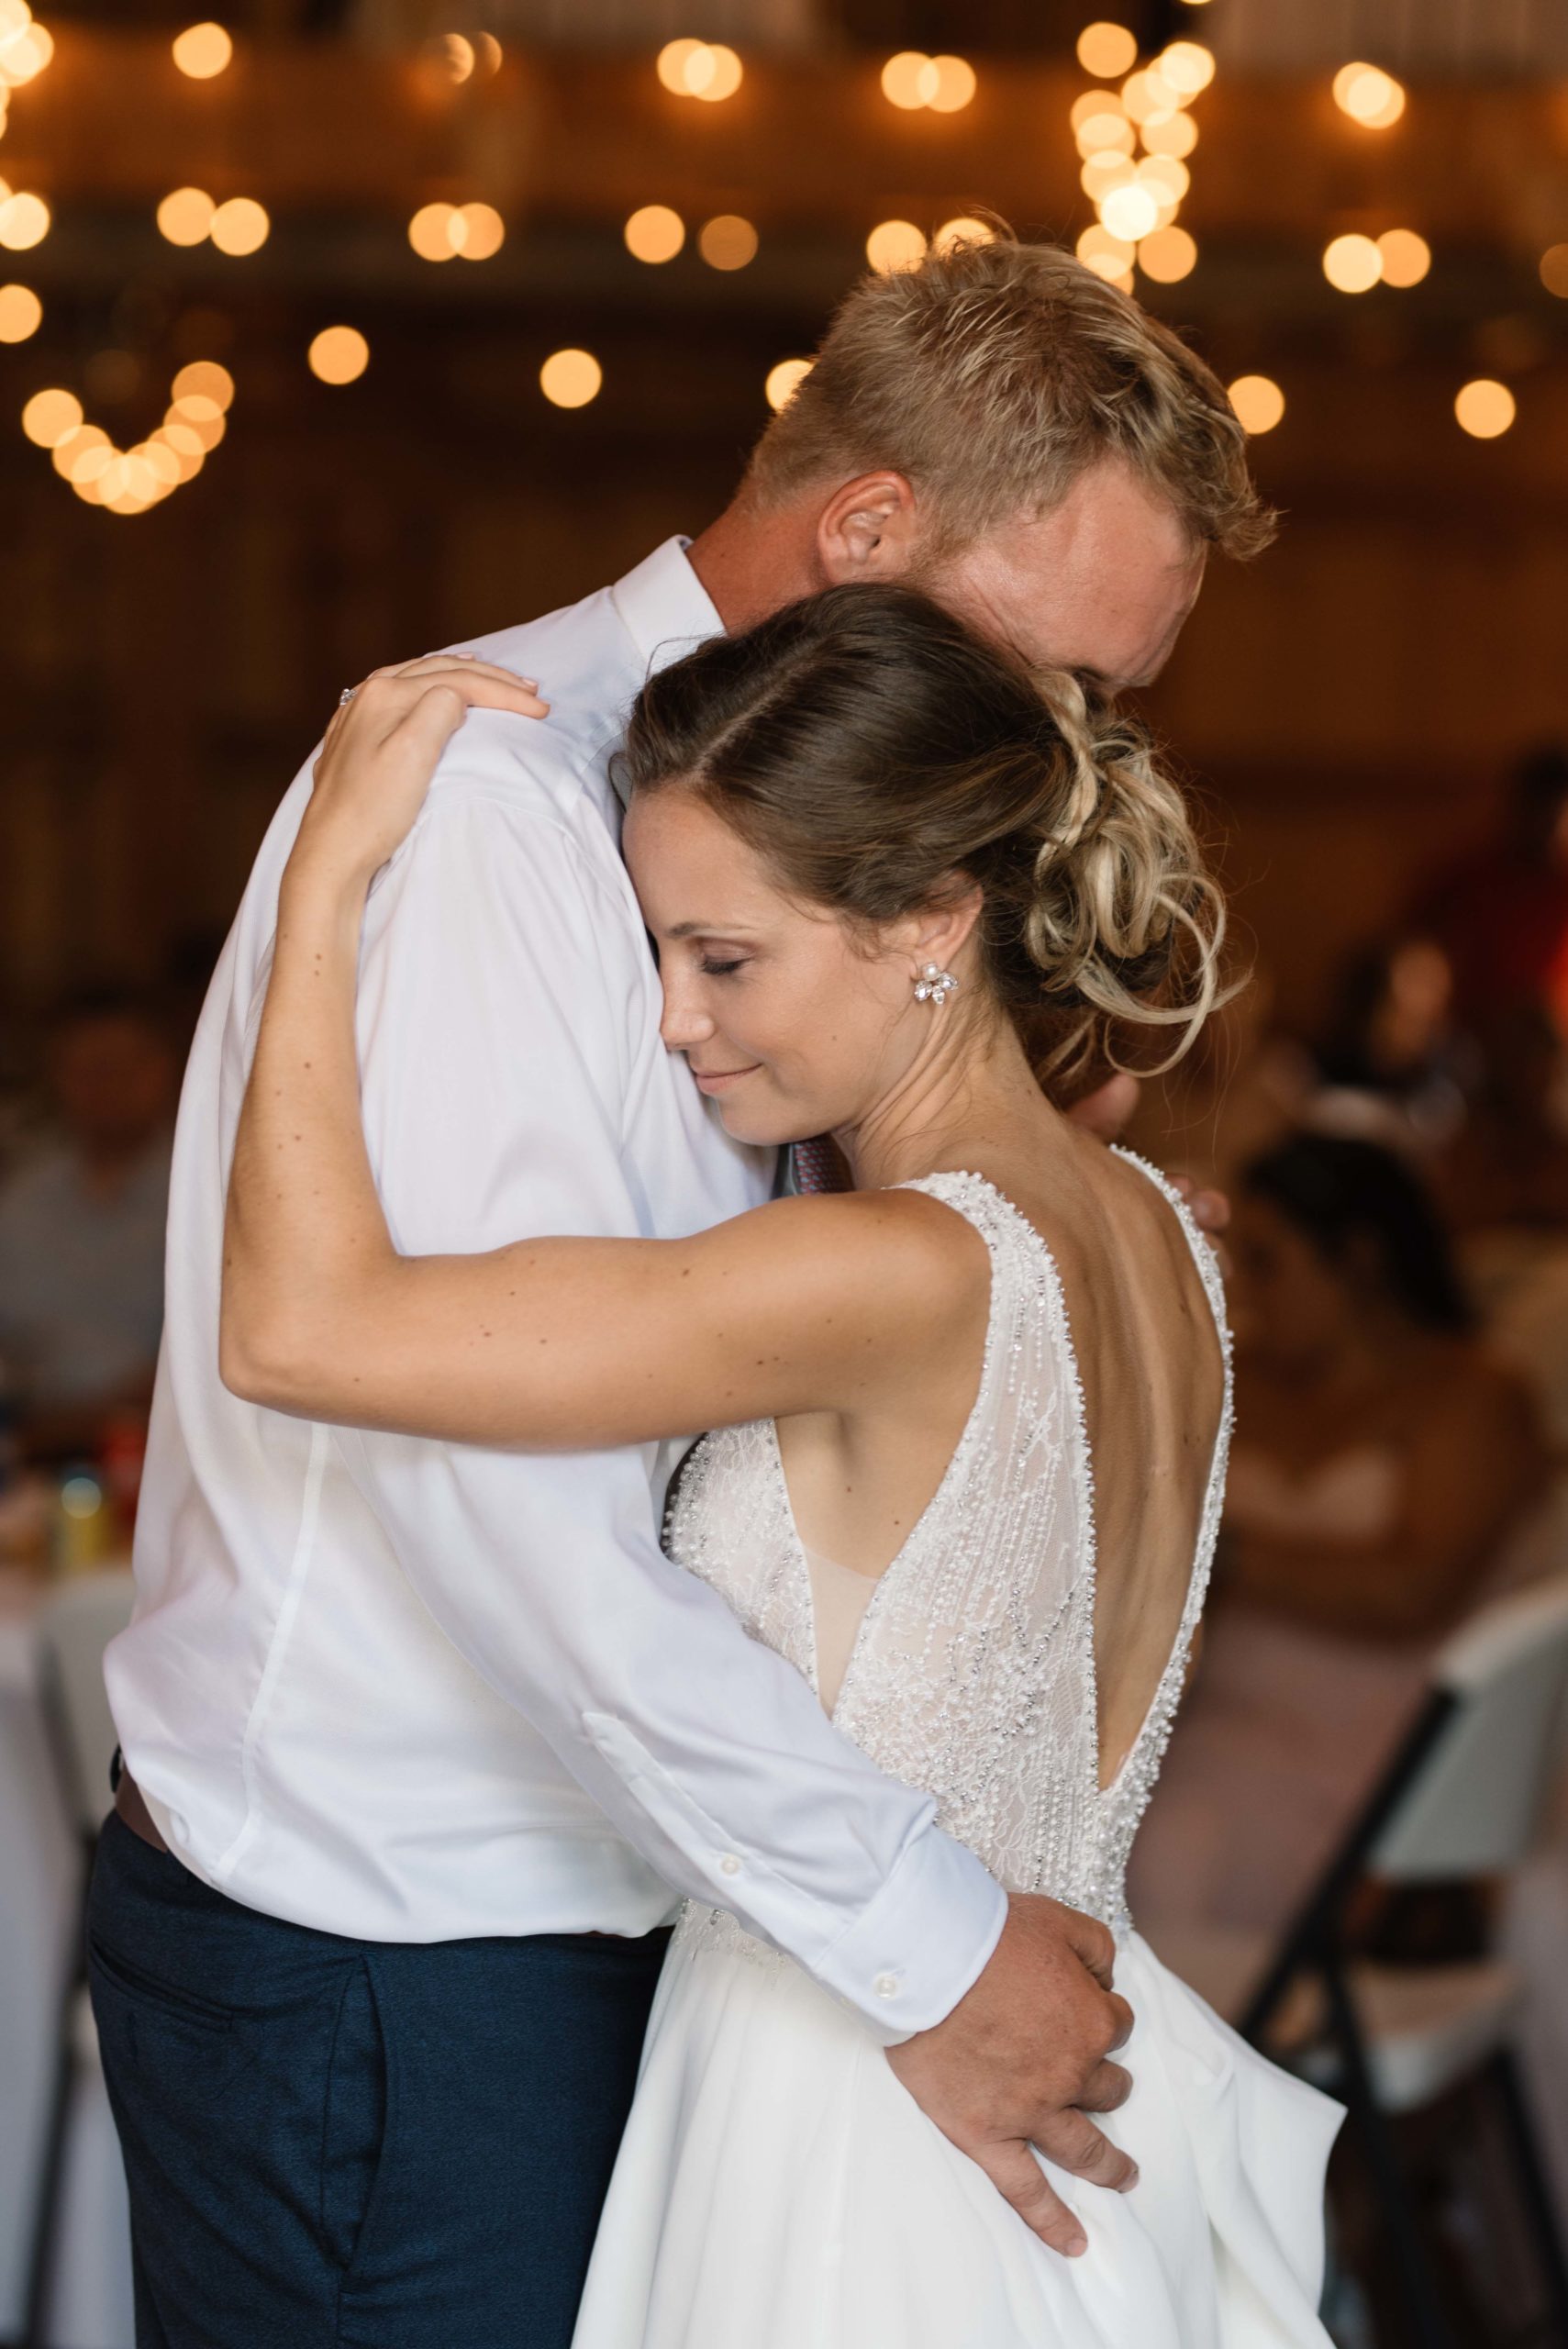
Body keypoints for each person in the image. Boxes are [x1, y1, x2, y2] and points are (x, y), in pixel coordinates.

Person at [93, 235, 1267, 2345]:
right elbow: (489, 1494)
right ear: (869, 528)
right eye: (1051, 667)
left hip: (700, 1932)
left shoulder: (860, 957)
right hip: (414, 1928)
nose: (1064, 749)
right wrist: (919, 1932)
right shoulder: (496, 811)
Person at [1130, 1131, 1551, 1944]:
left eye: (1265, 1260)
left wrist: (1222, 1552)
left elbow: (1415, 1591)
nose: (1244, 1290)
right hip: (1210, 1713)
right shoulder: (1232, 1372)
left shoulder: (1470, 1396)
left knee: (1175, 1846)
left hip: (1388, 1740)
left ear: (1357, 1259)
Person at [0, 985, 175, 1464]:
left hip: (161, 1450)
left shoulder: (203, 1192)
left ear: (164, 1069)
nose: (106, 1087)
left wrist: (70, 1426)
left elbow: (205, 1356)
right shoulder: (22, 1198)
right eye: (88, 1071)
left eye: (123, 1067)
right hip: (26, 1448)